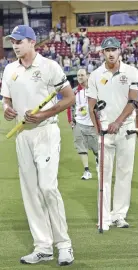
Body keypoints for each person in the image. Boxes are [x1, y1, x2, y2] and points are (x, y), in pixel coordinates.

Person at [1, 25, 75, 265]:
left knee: (47, 187)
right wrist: (7, 110)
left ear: (32, 42)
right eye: (13, 41)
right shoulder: (10, 69)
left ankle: (64, 245)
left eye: (20, 41)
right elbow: (7, 99)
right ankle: (43, 247)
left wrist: (44, 115)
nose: (15, 45)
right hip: (23, 134)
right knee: (31, 192)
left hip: (45, 132)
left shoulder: (49, 66)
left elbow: (69, 97)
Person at [86, 37, 138, 231]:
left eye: (113, 49)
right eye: (107, 49)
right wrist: (96, 127)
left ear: (120, 51)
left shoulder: (131, 72)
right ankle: (104, 217)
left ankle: (119, 215)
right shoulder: (95, 75)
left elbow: (133, 101)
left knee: (125, 173)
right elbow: (91, 105)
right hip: (104, 131)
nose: (110, 53)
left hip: (126, 128)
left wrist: (118, 121)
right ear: (102, 52)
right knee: (104, 175)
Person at [67, 68, 98, 180]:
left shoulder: (94, 90)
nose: (80, 77)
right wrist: (70, 120)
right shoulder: (74, 91)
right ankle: (87, 171)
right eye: (78, 75)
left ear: (87, 76)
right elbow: (69, 106)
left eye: (82, 75)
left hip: (92, 124)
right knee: (80, 146)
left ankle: (98, 160)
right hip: (78, 123)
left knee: (96, 148)